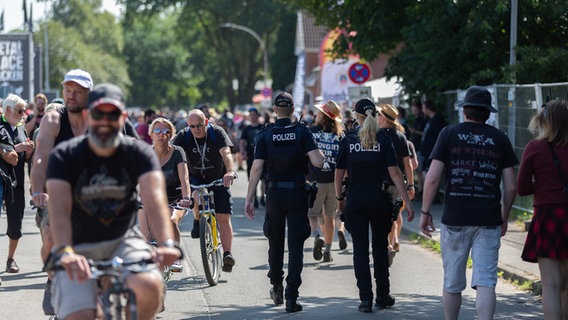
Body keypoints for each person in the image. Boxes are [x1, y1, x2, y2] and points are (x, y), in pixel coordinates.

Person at [45, 83, 181, 320]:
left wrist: (166, 243)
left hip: (123, 240)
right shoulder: (65, 155)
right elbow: (58, 208)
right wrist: (65, 251)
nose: (105, 121)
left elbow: (154, 198)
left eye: (113, 114)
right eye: (99, 114)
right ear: (87, 115)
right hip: (77, 243)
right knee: (80, 314)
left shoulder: (139, 152)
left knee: (149, 285)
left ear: (123, 117)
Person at [419, 85, 517, 320]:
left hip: (455, 219)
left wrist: (425, 212)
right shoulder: (500, 139)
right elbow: (512, 186)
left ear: (465, 111)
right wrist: (504, 216)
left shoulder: (448, 134)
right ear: (488, 113)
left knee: (452, 282)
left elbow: (432, 179)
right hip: (488, 219)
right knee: (486, 281)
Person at [244, 92, 324, 313]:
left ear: (275, 110)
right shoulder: (302, 132)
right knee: (296, 245)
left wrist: (249, 198)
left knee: (275, 243)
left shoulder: (265, 135)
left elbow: (257, 168)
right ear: (292, 109)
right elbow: (318, 161)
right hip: (297, 193)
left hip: (274, 195)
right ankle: (291, 297)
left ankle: (276, 287)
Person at [334, 98, 414, 313]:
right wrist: (407, 202)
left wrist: (339, 198)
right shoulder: (384, 140)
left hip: (356, 198)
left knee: (360, 250)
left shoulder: (349, 140)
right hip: (379, 199)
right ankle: (382, 296)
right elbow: (395, 173)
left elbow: (339, 172)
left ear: (356, 116)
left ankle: (365, 299)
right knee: (379, 249)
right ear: (375, 115)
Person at [31, 68, 93, 316]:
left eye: (78, 92)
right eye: (68, 91)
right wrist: (38, 191)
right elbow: (40, 158)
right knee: (50, 237)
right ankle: (51, 279)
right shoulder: (53, 119)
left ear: (89, 94)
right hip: (55, 194)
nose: (71, 96)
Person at [517, 100, 568, 319]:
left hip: (548, 216)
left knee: (550, 285)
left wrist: (545, 185)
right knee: (566, 285)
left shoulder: (535, 148)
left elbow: (522, 187)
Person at [172, 109, 237, 272]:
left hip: (218, 177)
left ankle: (227, 254)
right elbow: (170, 152)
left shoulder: (216, 132)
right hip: (196, 177)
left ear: (206, 122)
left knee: (223, 216)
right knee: (194, 193)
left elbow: (226, 153)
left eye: (199, 125)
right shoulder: (184, 135)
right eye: (192, 126)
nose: (196, 129)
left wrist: (229, 171)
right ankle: (197, 220)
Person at [138, 117, 192, 272]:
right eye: (158, 131)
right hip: (151, 200)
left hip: (175, 200)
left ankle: (175, 256)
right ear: (151, 134)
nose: (162, 134)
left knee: (171, 221)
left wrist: (187, 198)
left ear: (171, 135)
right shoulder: (145, 153)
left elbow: (185, 178)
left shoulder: (177, 152)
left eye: (166, 131)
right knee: (145, 237)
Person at [1, 94, 35, 274]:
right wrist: (17, 148)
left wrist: (29, 150)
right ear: (7, 110)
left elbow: (24, 157)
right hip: (1, 181)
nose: (23, 114)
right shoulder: (0, 126)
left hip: (17, 182)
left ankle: (10, 259)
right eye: (19, 111)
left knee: (16, 224)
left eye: (24, 111)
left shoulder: (21, 128)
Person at [376, 104, 414, 263]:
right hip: (397, 184)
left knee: (378, 217)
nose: (377, 118)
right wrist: (411, 185)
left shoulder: (376, 136)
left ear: (384, 118)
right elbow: (408, 164)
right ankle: (390, 245)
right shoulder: (400, 136)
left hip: (378, 183)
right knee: (393, 217)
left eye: (378, 115)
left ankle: (385, 246)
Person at [307, 100, 344, 262]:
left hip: (314, 180)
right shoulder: (340, 135)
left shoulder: (311, 131)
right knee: (330, 217)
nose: (317, 114)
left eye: (319, 112)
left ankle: (316, 235)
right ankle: (328, 251)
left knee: (312, 214)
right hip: (334, 182)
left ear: (323, 115)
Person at [419, 100, 446, 198]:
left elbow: (439, 136)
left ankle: (433, 195)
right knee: (424, 172)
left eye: (423, 108)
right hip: (426, 151)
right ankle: (429, 194)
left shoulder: (437, 119)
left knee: (430, 173)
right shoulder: (429, 120)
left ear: (427, 108)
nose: (422, 110)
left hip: (432, 151)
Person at [240, 107, 265, 208]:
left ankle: (262, 197)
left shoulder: (263, 127)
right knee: (252, 178)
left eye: (255, 115)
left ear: (258, 116)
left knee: (263, 179)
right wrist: (242, 152)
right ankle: (254, 198)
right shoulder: (247, 129)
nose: (253, 117)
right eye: (251, 115)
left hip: (263, 157)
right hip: (251, 156)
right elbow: (242, 142)